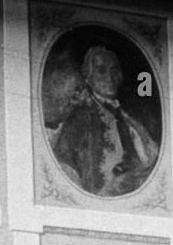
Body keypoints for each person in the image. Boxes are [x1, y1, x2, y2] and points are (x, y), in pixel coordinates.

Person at [52, 45, 159, 196]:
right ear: (88, 77)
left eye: (114, 71)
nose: (110, 78)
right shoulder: (81, 116)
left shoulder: (127, 117)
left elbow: (149, 157)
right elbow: (64, 161)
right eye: (101, 70)